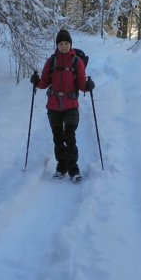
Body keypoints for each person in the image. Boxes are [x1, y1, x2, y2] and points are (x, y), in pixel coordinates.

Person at [30, 28, 94, 181]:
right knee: (58, 138)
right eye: (61, 44)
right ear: (57, 45)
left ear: (70, 44)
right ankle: (61, 168)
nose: (63, 46)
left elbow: (81, 84)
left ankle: (73, 170)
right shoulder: (51, 61)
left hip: (71, 105)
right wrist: (36, 81)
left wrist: (88, 86)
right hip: (53, 106)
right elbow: (44, 83)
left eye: (66, 43)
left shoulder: (77, 62)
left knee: (69, 137)